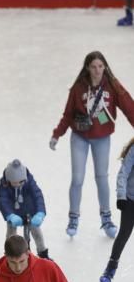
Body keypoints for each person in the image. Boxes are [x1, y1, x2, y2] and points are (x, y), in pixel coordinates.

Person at [50, 50, 134, 238]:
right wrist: (57, 134)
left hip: (102, 138)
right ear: (87, 67)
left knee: (101, 177)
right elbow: (68, 114)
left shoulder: (113, 86)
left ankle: (106, 218)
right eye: (94, 67)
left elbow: (129, 107)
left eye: (101, 66)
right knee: (77, 178)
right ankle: (73, 217)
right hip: (79, 136)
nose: (97, 70)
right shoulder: (79, 87)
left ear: (105, 67)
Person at [0, 159, 50, 259]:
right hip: (13, 214)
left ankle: (43, 254)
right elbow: (2, 200)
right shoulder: (4, 185)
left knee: (37, 233)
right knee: (10, 235)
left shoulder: (29, 182)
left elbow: (37, 195)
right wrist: (10, 215)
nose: (16, 184)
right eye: (13, 182)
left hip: (30, 212)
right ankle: (9, 254)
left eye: (19, 182)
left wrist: (40, 213)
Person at [100, 137, 134, 282]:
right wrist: (121, 196)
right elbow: (123, 172)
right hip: (130, 200)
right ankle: (110, 268)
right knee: (124, 235)